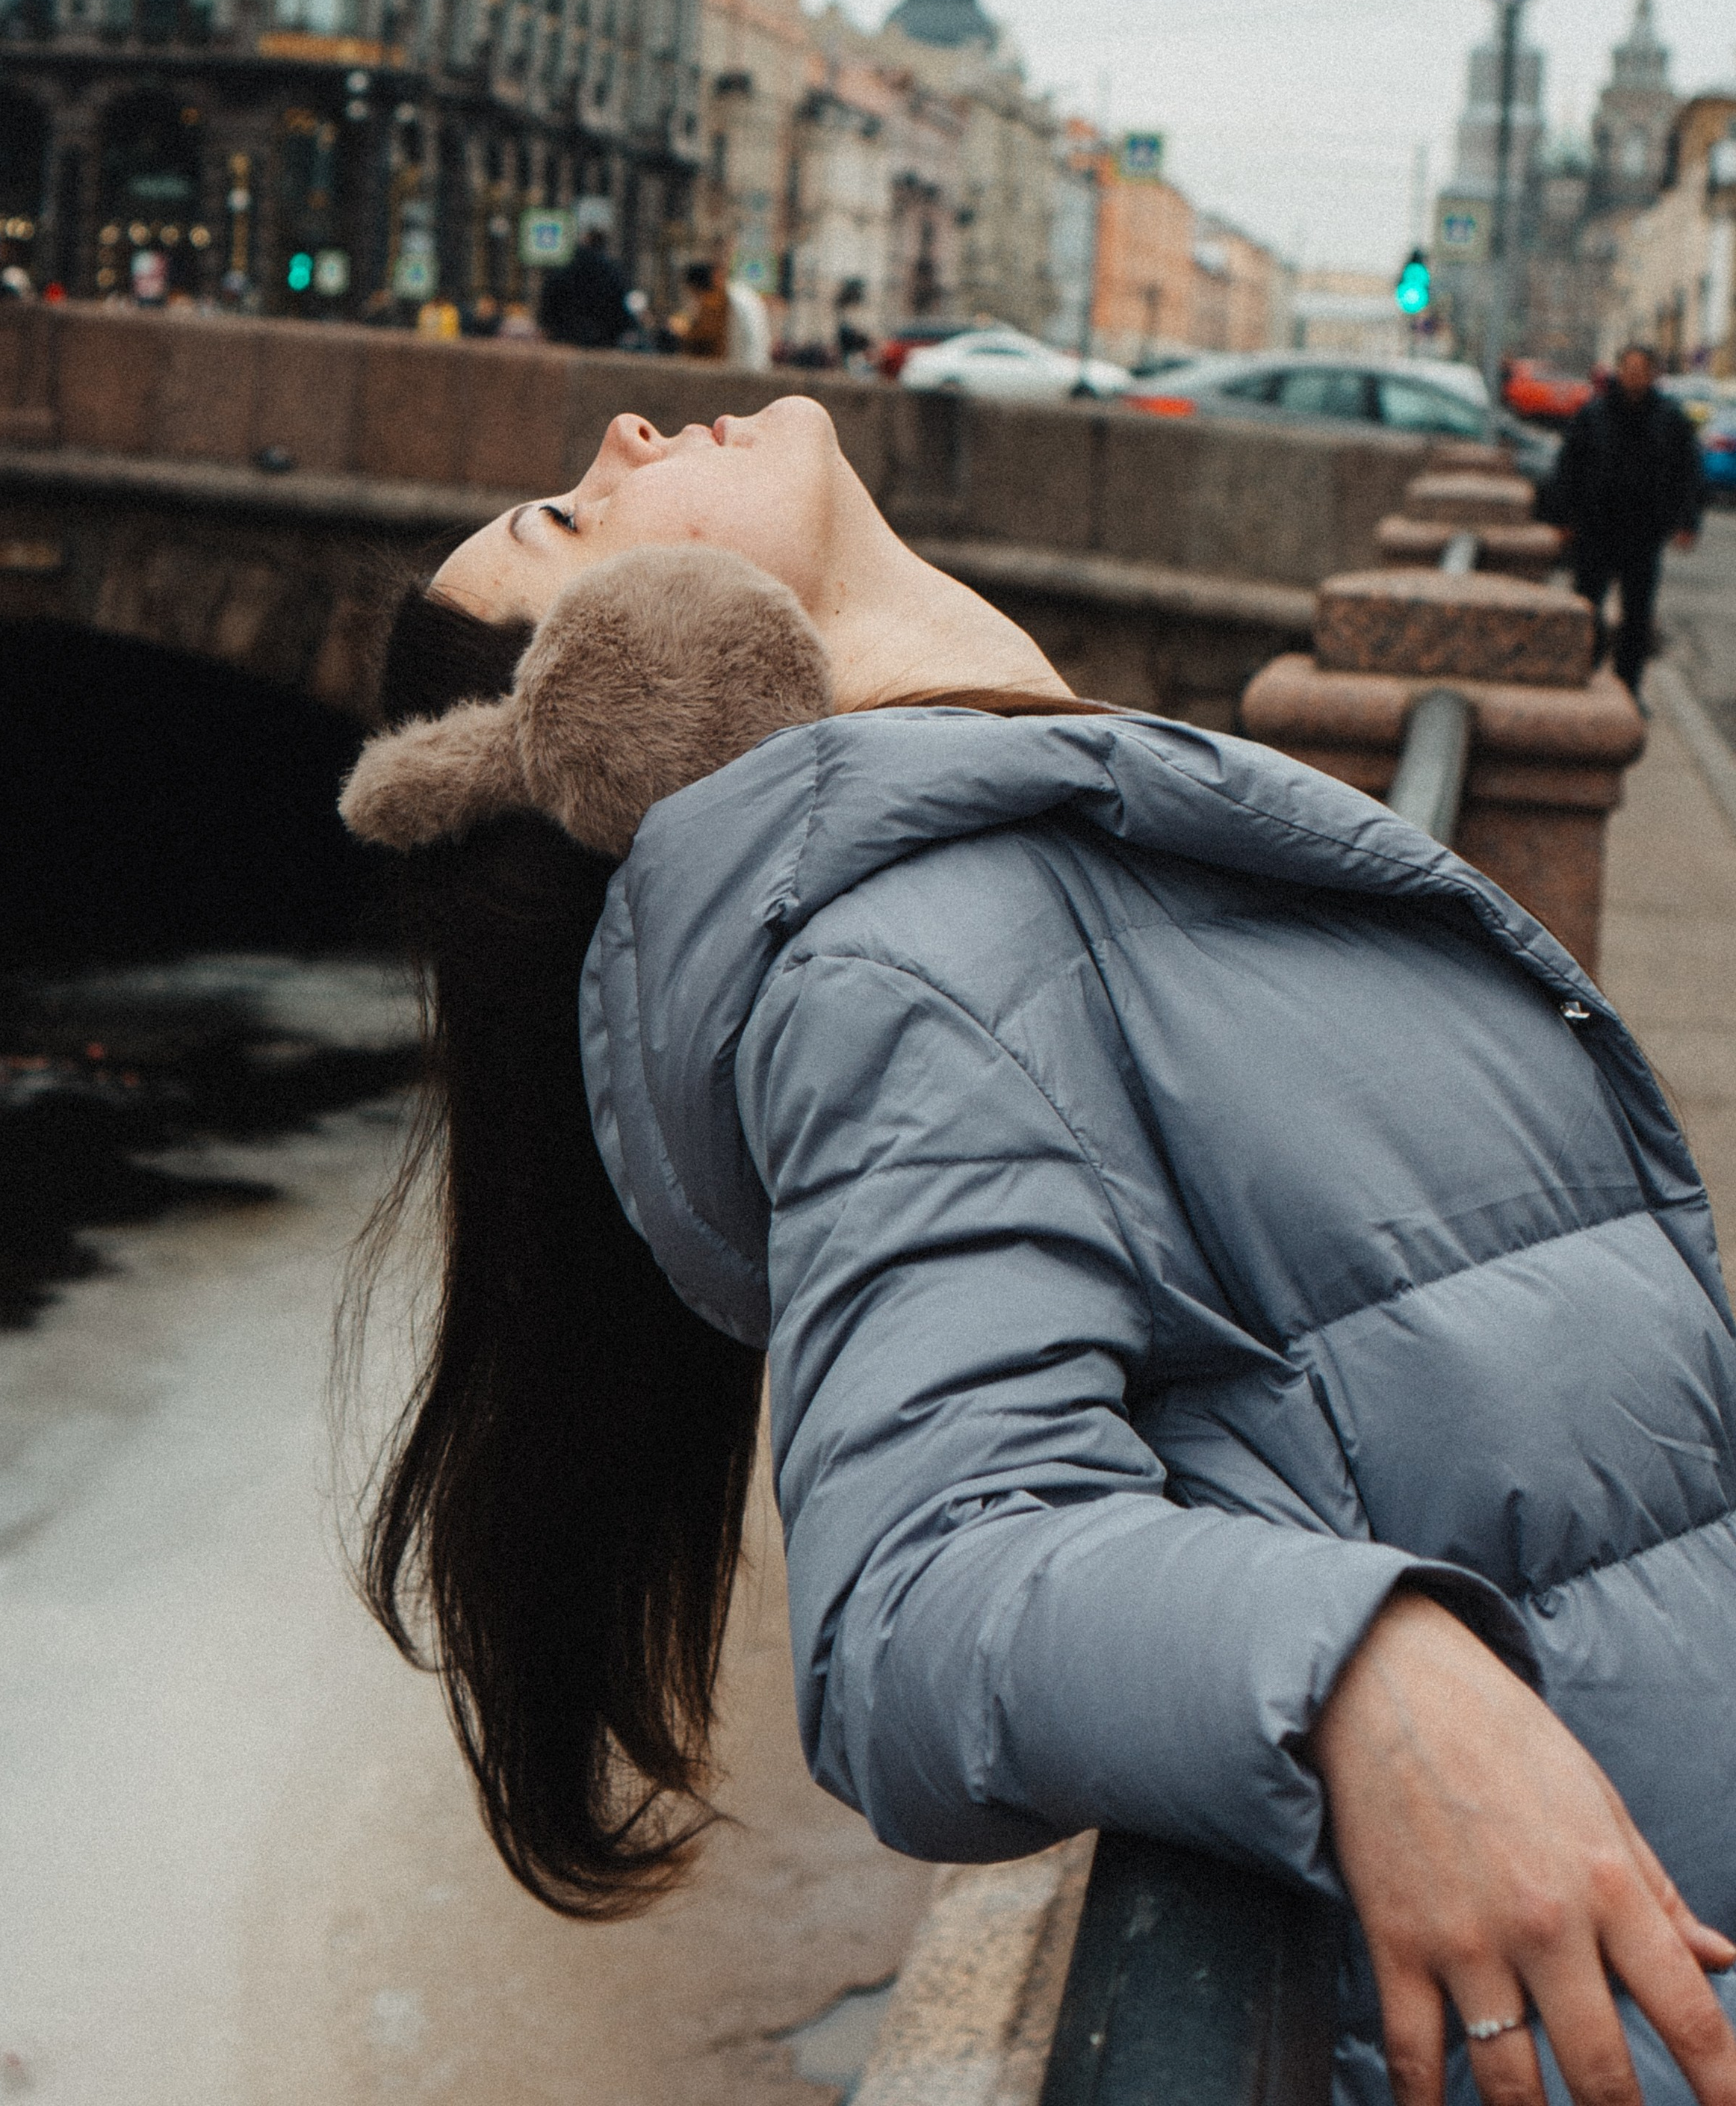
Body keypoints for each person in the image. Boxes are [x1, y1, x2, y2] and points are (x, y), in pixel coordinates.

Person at [338, 396, 1736, 2106]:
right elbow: (916, 1596)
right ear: (633, 682)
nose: (620, 431)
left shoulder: (991, 863)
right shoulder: (900, 958)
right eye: (574, 511)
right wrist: (1364, 1676)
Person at [1541, 346, 1705, 702]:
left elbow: (1688, 473)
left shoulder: (1670, 418)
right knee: (1587, 606)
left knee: (1637, 616)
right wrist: (1563, 518)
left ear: (1653, 374)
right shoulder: (1593, 414)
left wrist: (1686, 522)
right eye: (1628, 368)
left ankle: (1628, 688)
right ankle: (1584, 674)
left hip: (1643, 532)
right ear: (1618, 371)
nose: (1633, 376)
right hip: (1595, 528)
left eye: (1641, 369)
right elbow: (1568, 467)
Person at [538, 228, 630, 350]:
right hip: (602, 340)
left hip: (565, 336)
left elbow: (551, 294)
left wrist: (547, 323)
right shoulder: (612, 272)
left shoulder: (569, 267)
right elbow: (621, 305)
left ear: (586, 241)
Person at [672, 258, 730, 359]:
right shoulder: (712, 300)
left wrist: (683, 332)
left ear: (694, 285)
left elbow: (705, 336)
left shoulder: (713, 303)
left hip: (712, 362)